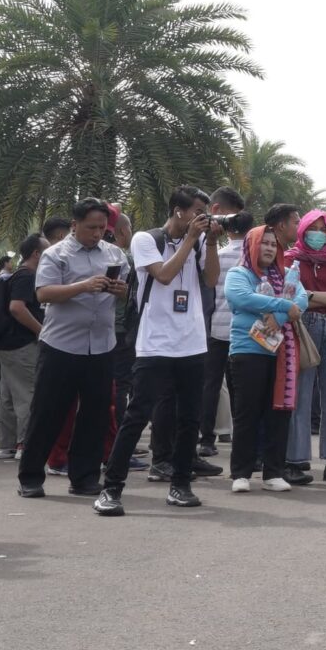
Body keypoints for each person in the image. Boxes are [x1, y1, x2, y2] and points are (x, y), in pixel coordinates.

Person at [96, 187, 225, 515]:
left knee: (189, 418)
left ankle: (180, 484)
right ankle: (112, 488)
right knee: (137, 415)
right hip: (155, 342)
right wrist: (190, 240)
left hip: (192, 342)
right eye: (198, 211)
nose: (203, 218)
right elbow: (165, 276)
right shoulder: (145, 239)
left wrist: (208, 241)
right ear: (179, 211)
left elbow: (210, 280)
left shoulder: (197, 242)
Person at [17, 199, 127, 500]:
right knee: (47, 412)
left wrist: (121, 291)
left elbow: (125, 290)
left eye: (102, 228)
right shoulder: (56, 254)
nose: (96, 233)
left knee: (95, 415)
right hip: (62, 346)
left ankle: (85, 477)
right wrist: (82, 285)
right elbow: (44, 293)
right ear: (75, 225)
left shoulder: (115, 253)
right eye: (91, 227)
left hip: (101, 346)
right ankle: (30, 476)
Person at [224, 214, 303, 492]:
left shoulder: (286, 274)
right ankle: (241, 474)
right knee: (247, 413)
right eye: (264, 243)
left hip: (280, 353)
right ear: (252, 245)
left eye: (273, 244)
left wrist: (279, 317)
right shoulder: (239, 274)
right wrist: (281, 305)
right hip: (248, 352)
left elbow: (301, 299)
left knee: (277, 413)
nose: (269, 248)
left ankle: (273, 472)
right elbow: (242, 297)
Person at [284, 208, 326, 483]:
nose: (319, 235)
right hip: (302, 326)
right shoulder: (291, 259)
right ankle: (295, 459)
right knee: (299, 395)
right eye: (314, 228)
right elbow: (292, 297)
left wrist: (309, 295)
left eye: (324, 230)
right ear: (302, 229)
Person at [196, 190, 247, 455]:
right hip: (246, 332)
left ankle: (206, 439)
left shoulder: (216, 253)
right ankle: (243, 438)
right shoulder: (252, 259)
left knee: (211, 385)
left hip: (216, 327)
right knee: (242, 387)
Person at [0, 232, 48, 460]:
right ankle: (25, 444)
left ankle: (6, 444)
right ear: (36, 254)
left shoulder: (16, 275)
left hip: (7, 344)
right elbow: (17, 308)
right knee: (28, 393)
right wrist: (40, 330)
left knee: (8, 394)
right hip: (22, 344)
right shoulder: (27, 277)